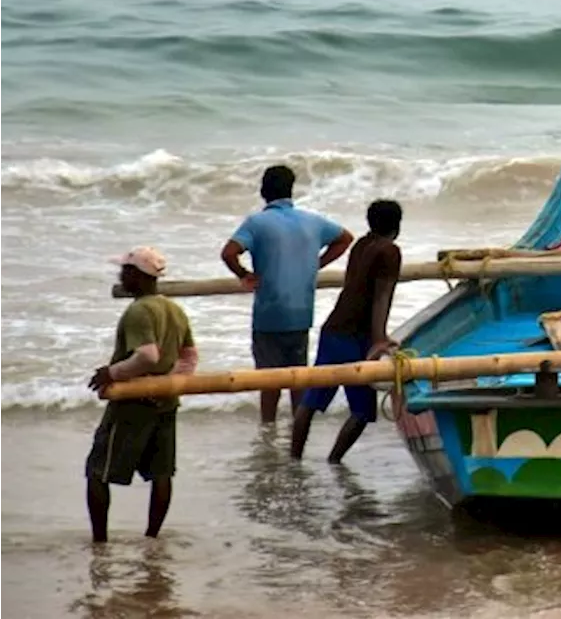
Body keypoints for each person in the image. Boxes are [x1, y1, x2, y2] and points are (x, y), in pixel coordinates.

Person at [221, 165, 353, 423]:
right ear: (291, 190)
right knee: (298, 379)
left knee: (269, 382)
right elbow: (345, 238)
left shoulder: (257, 223)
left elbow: (228, 253)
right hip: (301, 313)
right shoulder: (313, 221)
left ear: (263, 191)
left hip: (270, 314)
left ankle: (268, 431)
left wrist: (244, 274)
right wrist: (316, 263)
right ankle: (297, 432)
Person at [86, 247, 198, 543]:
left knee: (98, 470)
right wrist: (168, 385)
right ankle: (152, 539)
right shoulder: (174, 309)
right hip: (166, 401)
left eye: (125, 270)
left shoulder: (138, 310)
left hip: (132, 403)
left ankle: (100, 542)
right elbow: (190, 356)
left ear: (137, 275)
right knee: (161, 472)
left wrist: (112, 373)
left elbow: (147, 356)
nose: (121, 275)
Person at [292, 200, 404, 463]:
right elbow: (381, 296)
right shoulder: (390, 251)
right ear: (397, 225)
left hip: (333, 330)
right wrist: (379, 339)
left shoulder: (361, 245)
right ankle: (334, 461)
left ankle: (294, 460)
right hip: (356, 336)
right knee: (363, 410)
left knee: (311, 401)